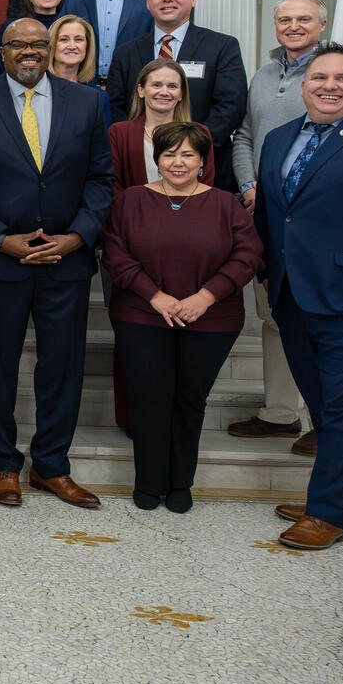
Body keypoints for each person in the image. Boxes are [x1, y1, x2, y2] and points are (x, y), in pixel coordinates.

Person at [0, 18, 114, 509]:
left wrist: (78, 237)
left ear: (51, 49)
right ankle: (2, 462)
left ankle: (52, 466)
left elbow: (102, 178)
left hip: (65, 261)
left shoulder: (87, 101)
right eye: (18, 44)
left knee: (63, 366)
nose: (29, 52)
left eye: (39, 44)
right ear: (1, 52)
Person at [102, 120, 259, 513]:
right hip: (141, 313)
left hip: (211, 319)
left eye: (188, 154)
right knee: (148, 398)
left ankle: (180, 483)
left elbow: (247, 256)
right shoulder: (132, 200)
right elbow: (115, 253)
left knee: (190, 399)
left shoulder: (226, 204)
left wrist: (205, 297)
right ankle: (149, 481)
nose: (177, 162)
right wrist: (154, 296)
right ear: (157, 159)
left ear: (203, 161)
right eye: (169, 154)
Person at [255, 45, 343, 549]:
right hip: (291, 295)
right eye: (319, 77)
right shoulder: (279, 137)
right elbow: (273, 212)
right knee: (325, 407)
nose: (329, 86)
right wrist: (263, 270)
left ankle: (327, 514)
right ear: (303, 86)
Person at [228, 0, 334, 448]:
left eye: (303, 19)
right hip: (265, 212)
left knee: (317, 317)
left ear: (322, 24)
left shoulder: (334, 74)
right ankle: (279, 413)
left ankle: (322, 423)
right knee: (274, 314)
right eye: (285, 19)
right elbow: (245, 136)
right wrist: (252, 187)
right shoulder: (265, 74)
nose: (293, 26)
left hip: (317, 217)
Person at [104, 0, 248, 190]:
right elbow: (117, 105)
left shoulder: (221, 46)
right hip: (138, 169)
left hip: (205, 167)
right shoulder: (125, 53)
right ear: (148, 2)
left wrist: (193, 148)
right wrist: (137, 147)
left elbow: (232, 104)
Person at [111, 59, 215, 188]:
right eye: (156, 85)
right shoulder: (119, 133)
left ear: (181, 93)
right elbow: (113, 187)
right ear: (141, 90)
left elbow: (205, 186)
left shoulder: (201, 133)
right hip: (133, 208)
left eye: (172, 86)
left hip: (189, 208)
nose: (164, 92)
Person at [45, 14, 113, 126]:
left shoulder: (98, 97)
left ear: (87, 46)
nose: (72, 46)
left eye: (79, 39)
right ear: (51, 45)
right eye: (64, 39)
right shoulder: (37, 90)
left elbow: (102, 142)